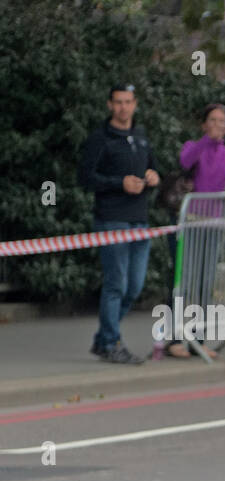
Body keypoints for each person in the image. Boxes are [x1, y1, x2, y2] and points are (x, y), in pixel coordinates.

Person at [165, 102, 225, 358]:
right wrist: (207, 140)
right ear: (204, 125)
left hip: (212, 224)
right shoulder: (194, 147)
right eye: (212, 120)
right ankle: (174, 339)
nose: (217, 125)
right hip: (189, 222)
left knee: (205, 282)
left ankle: (198, 338)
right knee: (183, 281)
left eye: (221, 121)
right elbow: (185, 161)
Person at [78, 83, 159, 365]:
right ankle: (111, 342)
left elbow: (153, 166)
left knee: (134, 287)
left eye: (128, 102)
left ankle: (103, 339)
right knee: (116, 285)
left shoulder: (141, 136)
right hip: (112, 219)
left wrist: (153, 177)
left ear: (135, 104)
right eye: (118, 102)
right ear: (110, 105)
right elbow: (85, 178)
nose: (123, 107)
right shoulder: (100, 138)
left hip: (140, 220)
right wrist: (119, 183)